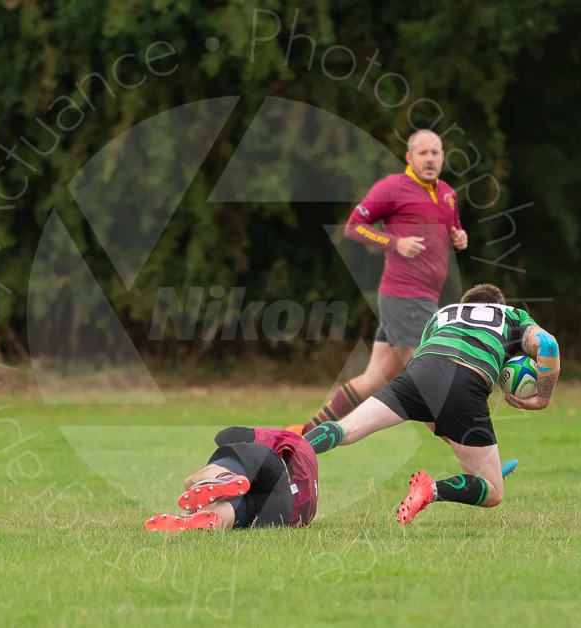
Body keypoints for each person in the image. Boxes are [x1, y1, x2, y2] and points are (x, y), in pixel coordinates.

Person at [302, 283, 559, 525]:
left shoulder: (442, 315)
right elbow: (547, 345)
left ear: (465, 305)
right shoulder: (512, 316)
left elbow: (431, 404)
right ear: (498, 305)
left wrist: (475, 455)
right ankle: (431, 490)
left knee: (346, 429)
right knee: (493, 492)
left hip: (418, 374)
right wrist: (543, 399)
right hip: (466, 380)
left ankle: (286, 451)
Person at [288, 129, 468, 435]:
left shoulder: (449, 194)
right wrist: (395, 242)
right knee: (431, 377)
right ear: (410, 158)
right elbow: (354, 227)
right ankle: (474, 455)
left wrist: (460, 238)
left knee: (373, 380)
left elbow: (454, 231)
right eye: (423, 153)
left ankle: (304, 433)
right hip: (405, 296)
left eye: (435, 153)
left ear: (442, 158)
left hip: (423, 298)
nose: (430, 159)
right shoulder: (393, 188)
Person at [145, 427, 319, 532]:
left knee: (191, 481)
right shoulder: (302, 452)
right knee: (241, 508)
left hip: (273, 470)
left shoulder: (277, 438)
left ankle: (223, 476)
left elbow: (224, 436)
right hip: (285, 512)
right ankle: (202, 519)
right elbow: (335, 431)